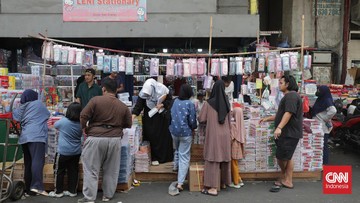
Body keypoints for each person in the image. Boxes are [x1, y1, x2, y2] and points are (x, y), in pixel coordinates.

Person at [78, 78, 132, 203]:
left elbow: (83, 115)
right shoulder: (122, 106)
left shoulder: (95, 100)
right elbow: (128, 124)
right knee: (111, 169)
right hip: (114, 139)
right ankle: (107, 195)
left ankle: (89, 198)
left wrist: (84, 128)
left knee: (91, 169)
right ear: (116, 90)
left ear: (103, 89)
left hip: (95, 137)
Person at [259, 75, 303, 192]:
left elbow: (288, 113)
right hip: (289, 132)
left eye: (281, 82)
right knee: (287, 157)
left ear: (287, 84)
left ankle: (287, 179)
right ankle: (287, 179)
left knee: (281, 156)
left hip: (289, 133)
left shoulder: (291, 96)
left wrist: (279, 127)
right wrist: (267, 119)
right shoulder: (289, 96)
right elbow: (281, 114)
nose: (279, 84)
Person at [12, 89, 50, 197]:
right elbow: (47, 114)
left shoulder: (21, 108)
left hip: (25, 137)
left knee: (28, 162)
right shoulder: (38, 104)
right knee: (37, 161)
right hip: (37, 136)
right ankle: (37, 186)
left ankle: (29, 188)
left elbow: (15, 116)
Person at [198, 80, 231, 196]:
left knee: (213, 159)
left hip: (214, 135)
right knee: (223, 159)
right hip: (226, 134)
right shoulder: (227, 102)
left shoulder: (208, 103)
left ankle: (213, 187)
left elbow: (201, 118)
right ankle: (223, 182)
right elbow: (229, 120)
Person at [132, 78, 173, 165]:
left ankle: (164, 158)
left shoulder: (163, 89)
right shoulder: (144, 92)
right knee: (151, 136)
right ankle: (153, 158)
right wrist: (132, 117)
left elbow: (170, 101)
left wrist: (162, 105)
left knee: (163, 137)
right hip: (150, 118)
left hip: (161, 117)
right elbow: (138, 106)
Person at [48, 102, 83, 198]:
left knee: (59, 171)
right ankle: (72, 191)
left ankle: (58, 192)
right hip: (76, 152)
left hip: (63, 152)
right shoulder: (81, 124)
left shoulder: (63, 122)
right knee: (73, 171)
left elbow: (55, 125)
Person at [169, 84, 197, 191]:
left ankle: (175, 167)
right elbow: (192, 120)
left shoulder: (174, 101)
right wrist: (193, 127)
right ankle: (180, 183)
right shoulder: (190, 104)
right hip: (185, 133)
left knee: (177, 150)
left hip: (174, 131)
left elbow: (170, 116)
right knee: (184, 156)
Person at [311, 85, 336, 165]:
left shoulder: (327, 99)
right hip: (319, 125)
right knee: (319, 144)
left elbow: (333, 110)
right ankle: (319, 163)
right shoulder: (321, 99)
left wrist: (325, 118)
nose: (318, 92)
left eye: (319, 90)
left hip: (323, 127)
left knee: (323, 145)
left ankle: (324, 164)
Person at [229, 107, 246, 189]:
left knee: (233, 163)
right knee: (235, 163)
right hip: (239, 144)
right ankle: (239, 179)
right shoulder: (241, 124)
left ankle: (236, 182)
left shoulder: (233, 124)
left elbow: (232, 137)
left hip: (234, 145)